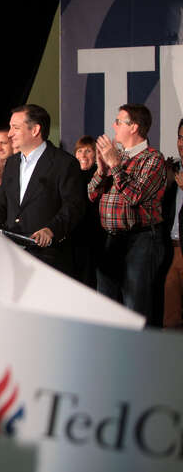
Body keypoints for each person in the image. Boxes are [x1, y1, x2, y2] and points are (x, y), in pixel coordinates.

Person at [88, 104, 166, 325]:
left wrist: (115, 166)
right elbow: (91, 194)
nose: (114, 125)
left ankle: (139, 357)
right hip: (110, 239)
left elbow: (135, 197)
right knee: (106, 305)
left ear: (134, 127)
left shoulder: (152, 159)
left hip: (140, 239)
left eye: (119, 121)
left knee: (135, 307)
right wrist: (102, 171)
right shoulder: (115, 156)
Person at [0, 105, 86, 274]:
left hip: (48, 259)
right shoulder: (12, 163)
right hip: (13, 257)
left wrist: (51, 230)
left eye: (15, 128)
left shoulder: (64, 163)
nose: (9, 134)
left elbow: (74, 206)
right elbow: (1, 205)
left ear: (35, 130)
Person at [71, 136, 101, 288]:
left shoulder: (101, 176)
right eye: (80, 151)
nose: (83, 155)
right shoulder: (69, 177)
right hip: (74, 238)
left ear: (96, 155)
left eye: (88, 151)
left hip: (95, 239)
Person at [163, 119, 183, 327]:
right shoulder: (172, 168)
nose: (181, 143)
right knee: (170, 318)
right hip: (171, 248)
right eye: (179, 138)